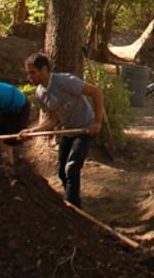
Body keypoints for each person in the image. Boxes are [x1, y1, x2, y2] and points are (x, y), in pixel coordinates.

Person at [19, 52, 104, 208]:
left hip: (85, 129)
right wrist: (33, 131)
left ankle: (72, 208)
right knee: (61, 172)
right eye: (28, 73)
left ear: (44, 69)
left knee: (71, 169)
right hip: (68, 131)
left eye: (33, 72)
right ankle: (74, 204)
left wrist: (96, 122)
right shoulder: (40, 94)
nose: (29, 76)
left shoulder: (65, 81)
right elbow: (53, 120)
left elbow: (96, 92)